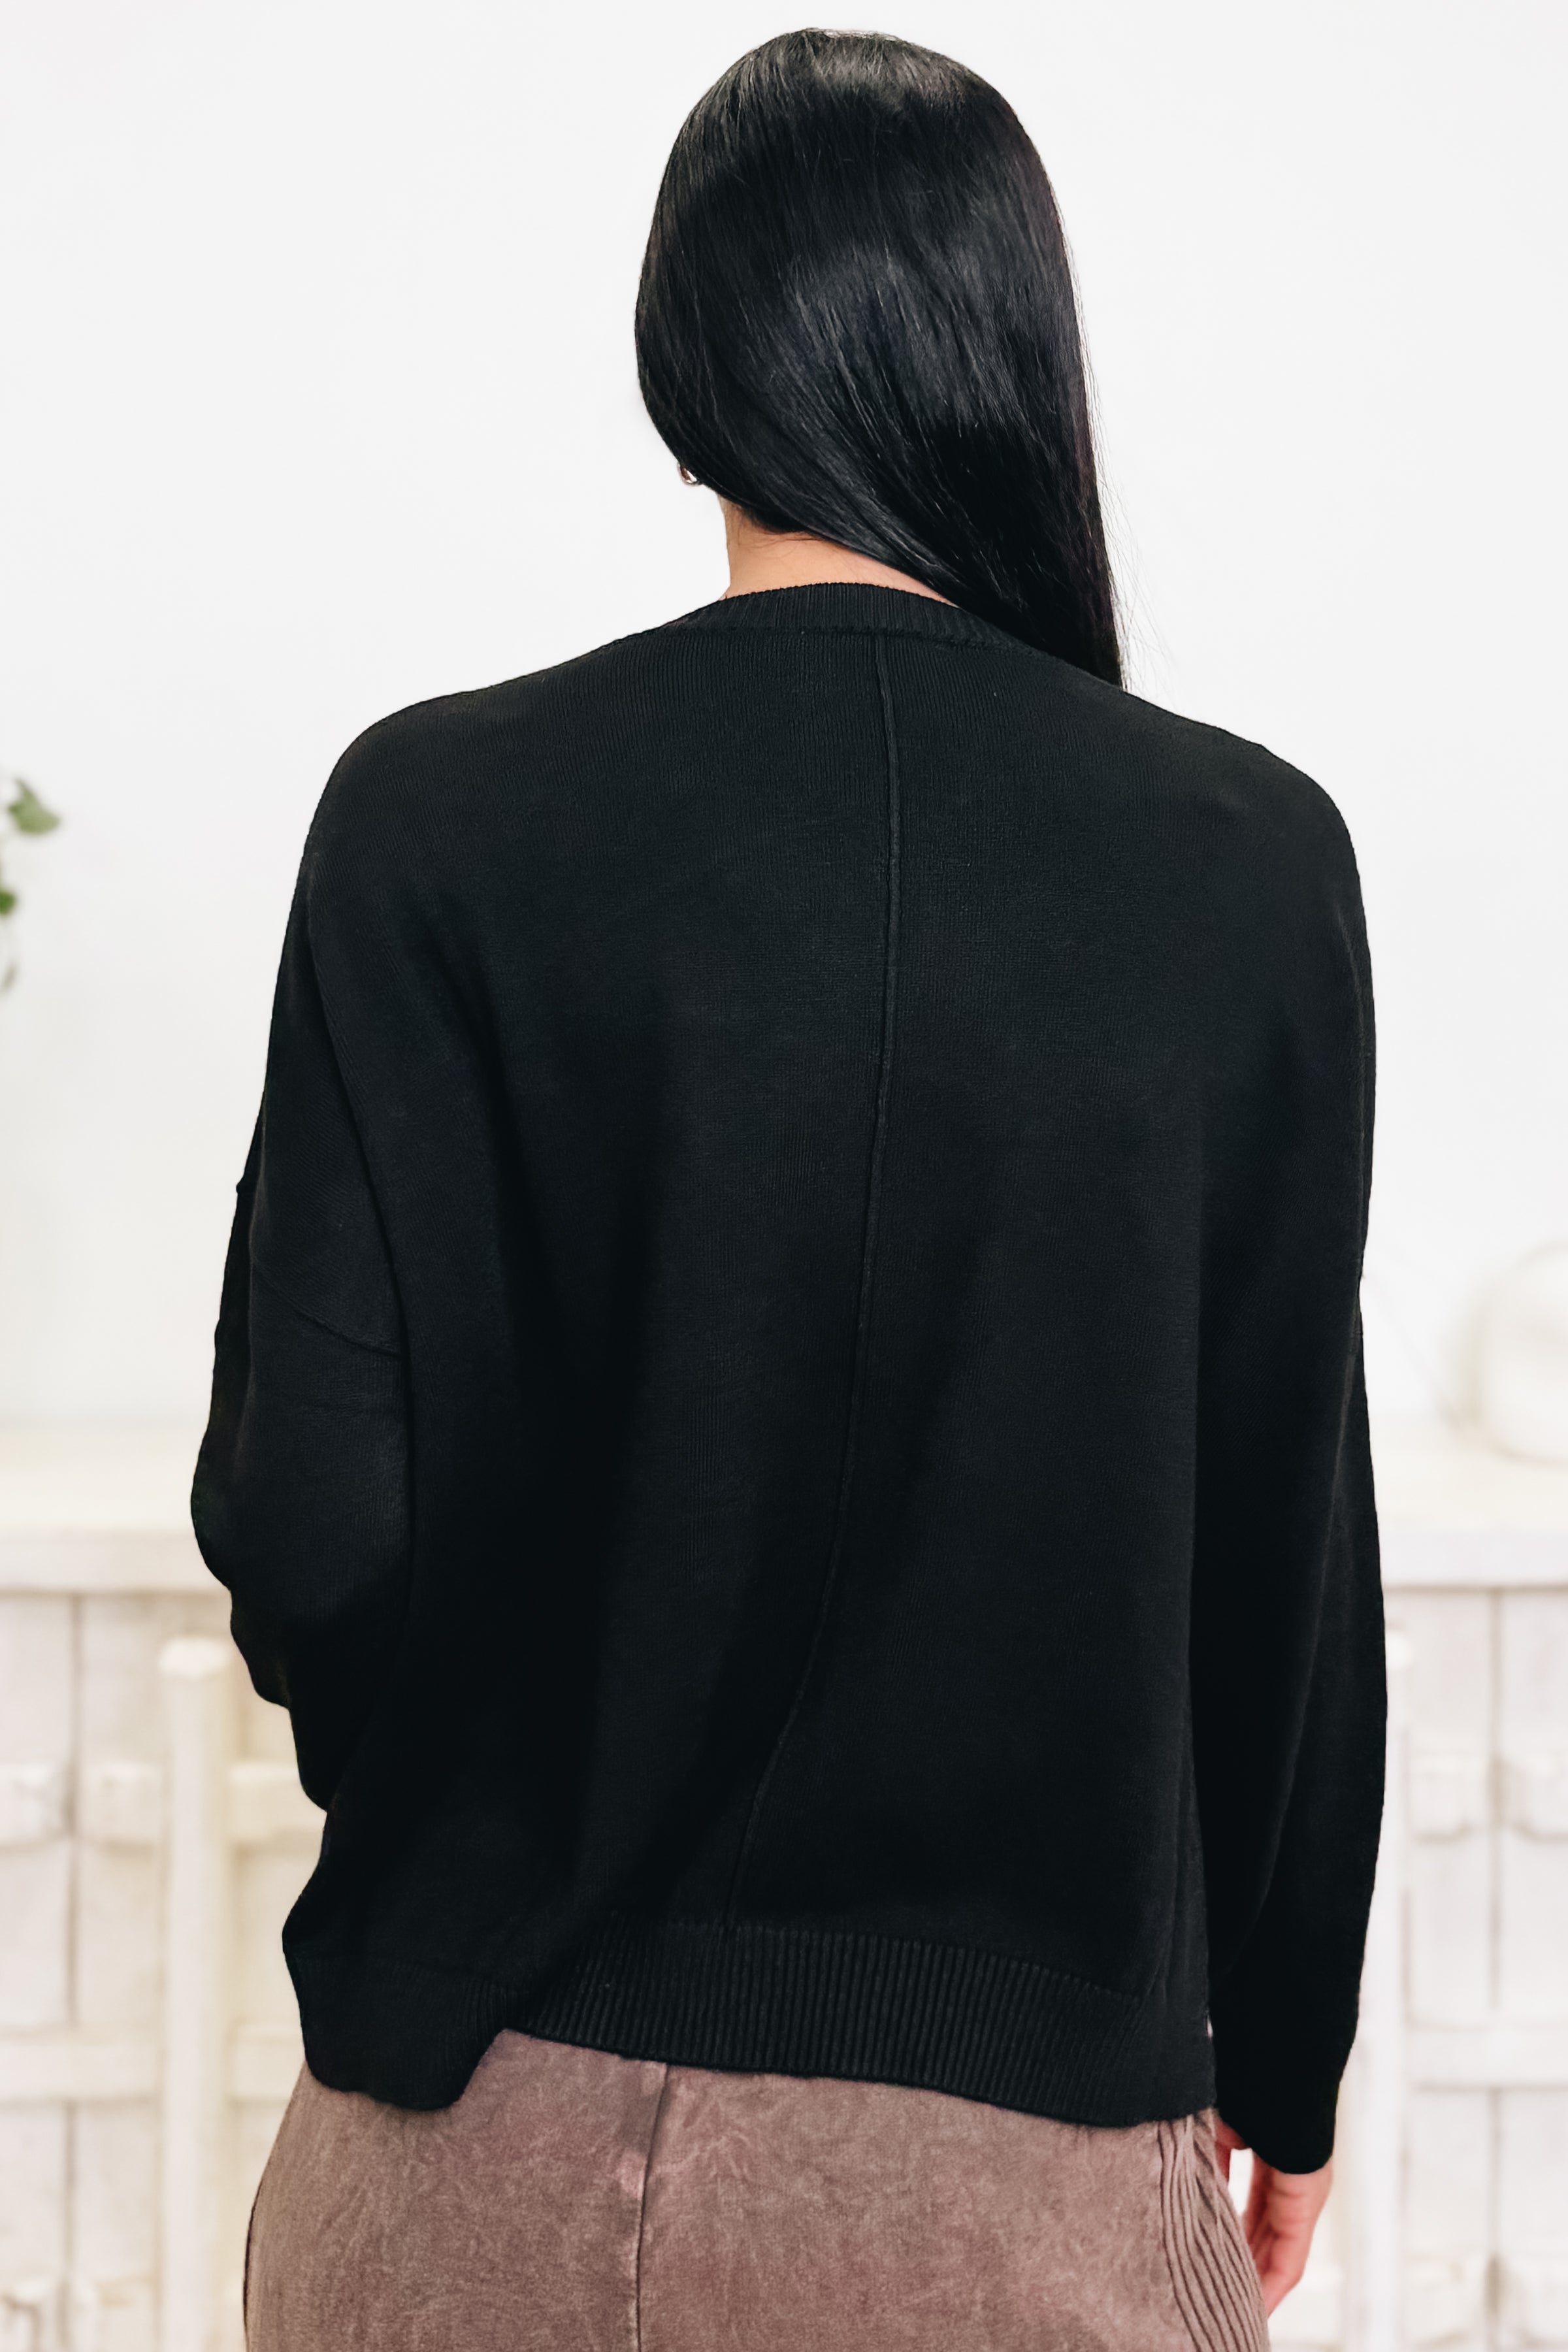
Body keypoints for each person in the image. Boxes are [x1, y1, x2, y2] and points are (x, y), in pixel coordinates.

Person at [193, 28, 1384, 2351]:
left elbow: (309, 1523)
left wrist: (484, 1844)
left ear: (684, 369)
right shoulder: (1247, 866)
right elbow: (1285, 1570)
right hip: (1008, 2203)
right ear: (1013, 360)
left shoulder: (430, 819)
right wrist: (1293, 2053)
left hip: (456, 2152)